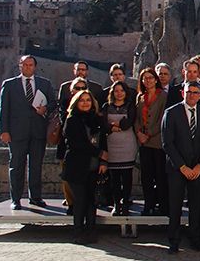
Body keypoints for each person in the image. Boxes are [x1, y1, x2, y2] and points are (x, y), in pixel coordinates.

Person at [0, 55, 56, 210]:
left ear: (35, 67)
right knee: (16, 166)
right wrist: (4, 131)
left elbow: (53, 103)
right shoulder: (9, 85)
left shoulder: (45, 83)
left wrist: (46, 109)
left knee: (36, 166)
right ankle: (15, 199)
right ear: (20, 66)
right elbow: (3, 110)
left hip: (38, 131)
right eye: (24, 64)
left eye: (30, 65)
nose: (27, 67)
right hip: (16, 133)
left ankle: (35, 197)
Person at [162, 81, 200, 254]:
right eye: (189, 92)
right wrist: (182, 166)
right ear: (183, 93)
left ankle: (195, 239)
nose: (192, 95)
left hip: (197, 168)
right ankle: (173, 241)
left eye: (196, 92)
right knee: (175, 206)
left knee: (197, 206)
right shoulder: (171, 112)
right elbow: (167, 143)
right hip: (177, 169)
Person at [61, 90, 107, 244]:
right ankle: (78, 231)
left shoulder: (96, 120)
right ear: (76, 103)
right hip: (77, 166)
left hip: (93, 166)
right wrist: (99, 153)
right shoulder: (72, 120)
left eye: (88, 99)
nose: (85, 103)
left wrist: (102, 161)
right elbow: (77, 144)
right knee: (80, 200)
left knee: (91, 200)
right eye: (82, 100)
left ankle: (91, 230)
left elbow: (102, 141)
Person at [133, 68, 168, 217]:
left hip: (157, 141)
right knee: (146, 175)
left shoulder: (163, 96)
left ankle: (162, 205)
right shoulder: (140, 97)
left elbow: (163, 118)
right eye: (144, 78)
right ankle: (148, 204)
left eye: (150, 77)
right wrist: (139, 133)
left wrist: (149, 134)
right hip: (144, 142)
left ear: (155, 79)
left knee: (160, 175)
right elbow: (136, 118)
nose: (148, 80)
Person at [101, 81, 137, 216]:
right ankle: (116, 204)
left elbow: (128, 124)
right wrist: (115, 126)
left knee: (127, 177)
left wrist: (115, 125)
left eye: (122, 90)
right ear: (112, 92)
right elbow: (104, 125)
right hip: (111, 145)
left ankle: (126, 203)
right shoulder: (106, 106)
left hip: (127, 145)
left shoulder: (130, 106)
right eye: (116, 91)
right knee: (114, 178)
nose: (119, 93)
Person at [57, 77, 88, 215]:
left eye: (82, 88)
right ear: (71, 90)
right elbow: (63, 122)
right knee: (67, 177)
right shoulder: (65, 104)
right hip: (67, 145)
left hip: (85, 147)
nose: (79, 91)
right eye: (77, 88)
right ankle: (71, 203)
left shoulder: (90, 104)